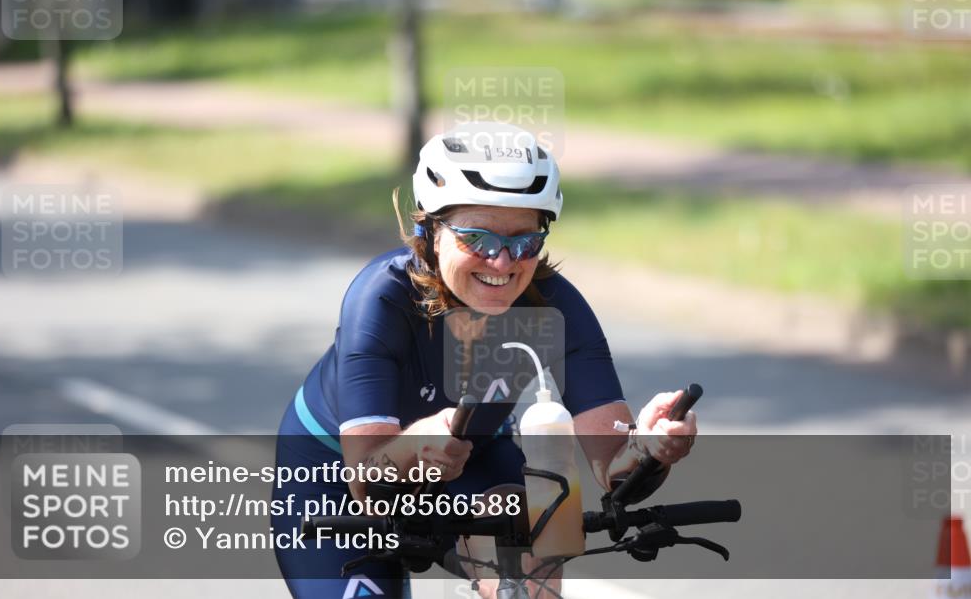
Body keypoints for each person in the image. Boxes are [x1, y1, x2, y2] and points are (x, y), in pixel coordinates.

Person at [272, 123, 698, 599]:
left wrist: (650, 449)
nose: (502, 263)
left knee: (533, 579)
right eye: (477, 238)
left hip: (473, 455)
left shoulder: (553, 308)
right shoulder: (382, 298)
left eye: (524, 242)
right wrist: (422, 440)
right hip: (334, 469)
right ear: (431, 231)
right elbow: (369, 478)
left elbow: (615, 470)